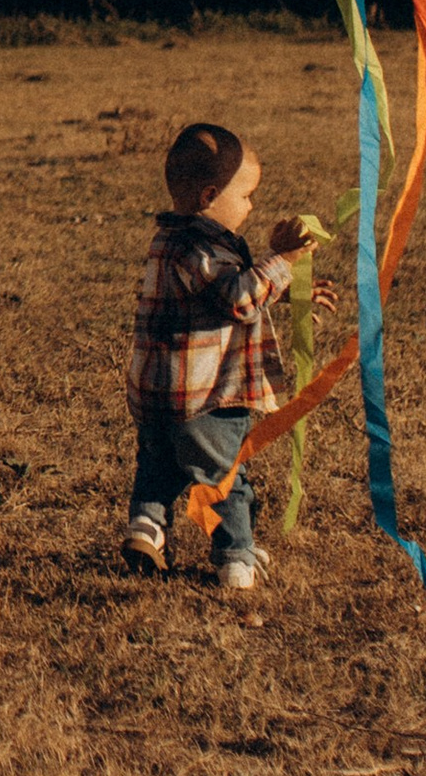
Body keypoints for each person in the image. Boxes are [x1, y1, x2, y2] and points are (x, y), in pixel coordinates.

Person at [124, 120, 308, 594]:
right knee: (225, 478)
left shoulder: (170, 241)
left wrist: (285, 292)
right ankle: (235, 560)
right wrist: (282, 259)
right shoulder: (204, 248)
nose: (249, 206)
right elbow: (240, 297)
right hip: (204, 398)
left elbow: (221, 295)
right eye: (245, 195)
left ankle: (146, 528)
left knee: (160, 468)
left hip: (157, 397)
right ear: (210, 196)